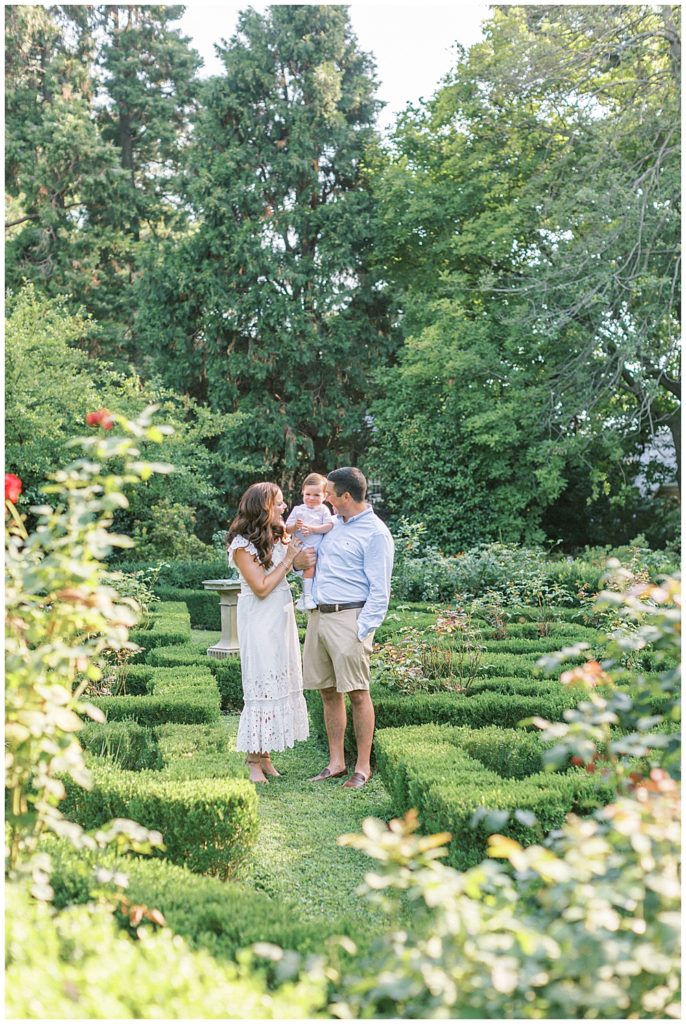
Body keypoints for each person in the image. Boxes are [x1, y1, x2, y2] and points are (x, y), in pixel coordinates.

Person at [303, 467, 394, 789]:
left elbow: (380, 590)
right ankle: (336, 762)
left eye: (328, 493)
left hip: (350, 619)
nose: (323, 497)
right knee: (328, 691)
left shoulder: (375, 533)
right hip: (320, 616)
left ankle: (363, 767)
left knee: (357, 693)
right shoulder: (333, 526)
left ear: (344, 496)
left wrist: (362, 630)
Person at [227, 482, 315, 784]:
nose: (284, 507)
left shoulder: (275, 536)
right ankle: (252, 759)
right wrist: (290, 559)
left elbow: (282, 569)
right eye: (278, 502)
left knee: (279, 679)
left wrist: (297, 560)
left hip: (281, 616)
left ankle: (265, 757)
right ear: (263, 506)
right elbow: (262, 587)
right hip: (259, 618)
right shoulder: (241, 545)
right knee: (261, 683)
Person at [285, 473, 335, 612]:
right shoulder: (298, 510)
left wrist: (313, 529)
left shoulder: (323, 510)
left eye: (316, 495)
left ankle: (306, 597)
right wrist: (296, 526)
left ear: (324, 496)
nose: (311, 498)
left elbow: (328, 526)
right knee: (308, 568)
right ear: (302, 493)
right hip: (300, 546)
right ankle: (306, 596)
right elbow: (287, 529)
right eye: (308, 494)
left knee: (312, 570)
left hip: (315, 545)